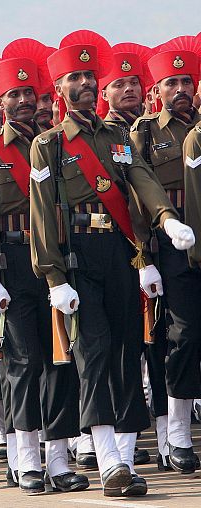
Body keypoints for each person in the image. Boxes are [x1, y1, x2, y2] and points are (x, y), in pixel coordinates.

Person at [29, 38, 195, 496]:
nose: (83, 84)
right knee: (95, 353)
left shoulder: (117, 137)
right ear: (60, 89)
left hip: (121, 253)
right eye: (73, 79)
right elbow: (42, 212)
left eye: (88, 77)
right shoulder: (51, 145)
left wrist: (165, 219)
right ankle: (106, 460)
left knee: (128, 351)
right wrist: (54, 275)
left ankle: (124, 458)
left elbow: (140, 177)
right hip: (79, 258)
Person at [0, 53, 89, 494]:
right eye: (12, 94)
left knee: (60, 360)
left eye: (27, 93)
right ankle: (24, 458)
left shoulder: (57, 143)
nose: (21, 101)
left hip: (56, 261)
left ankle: (57, 459)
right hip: (12, 264)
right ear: (1, 103)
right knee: (22, 362)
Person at [130, 45, 201, 474]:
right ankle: (175, 433)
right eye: (170, 83)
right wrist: (144, 255)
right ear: (156, 90)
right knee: (184, 335)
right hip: (172, 246)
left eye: (186, 82)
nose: (179, 89)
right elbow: (138, 195)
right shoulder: (145, 131)